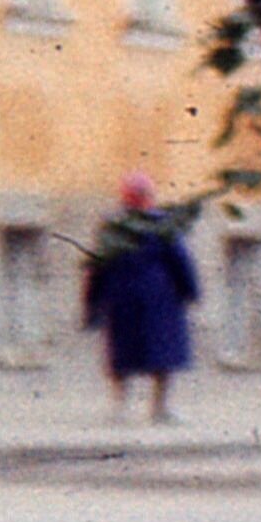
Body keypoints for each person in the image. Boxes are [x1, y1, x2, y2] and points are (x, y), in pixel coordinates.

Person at [84, 172, 201, 421]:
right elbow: (180, 261)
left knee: (123, 353)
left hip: (122, 297)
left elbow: (98, 266)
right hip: (160, 298)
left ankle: (120, 407)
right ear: (150, 197)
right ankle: (159, 408)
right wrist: (190, 291)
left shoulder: (114, 227)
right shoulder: (163, 225)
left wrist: (93, 302)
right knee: (163, 354)